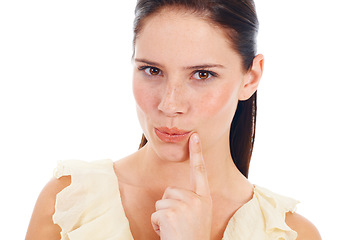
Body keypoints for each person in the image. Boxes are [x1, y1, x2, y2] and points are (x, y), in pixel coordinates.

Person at [26, 0, 321, 239]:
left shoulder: (290, 234)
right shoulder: (68, 202)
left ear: (251, 77)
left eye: (203, 74)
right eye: (152, 70)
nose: (169, 105)